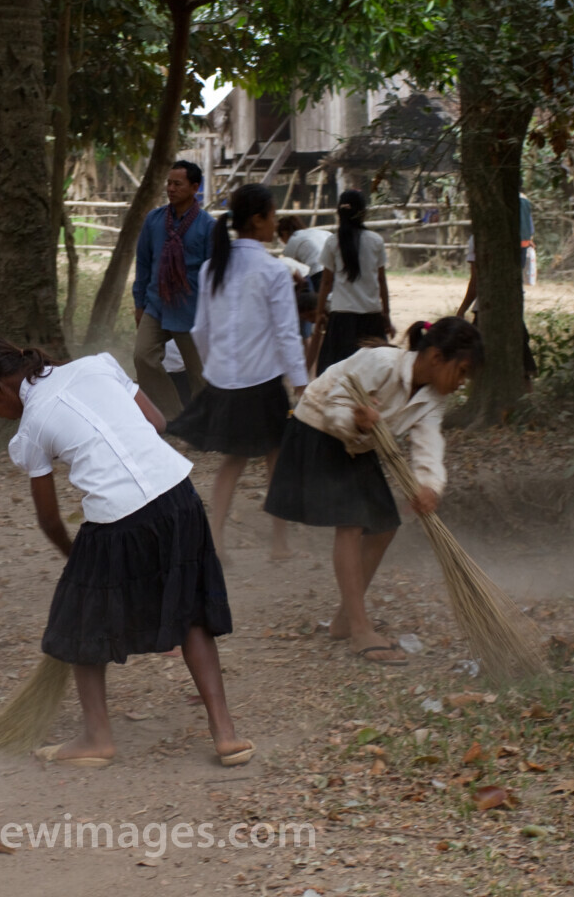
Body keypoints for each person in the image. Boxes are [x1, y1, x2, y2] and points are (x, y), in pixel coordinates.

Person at [0, 336, 252, 768]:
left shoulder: (32, 426)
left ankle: (97, 738)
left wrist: (75, 559)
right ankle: (226, 735)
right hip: (179, 496)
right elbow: (157, 424)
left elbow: (50, 519)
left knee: (77, 622)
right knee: (192, 613)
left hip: (118, 518)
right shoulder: (97, 365)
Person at [266, 318, 483, 665]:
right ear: (437, 358)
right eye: (462, 371)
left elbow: (428, 441)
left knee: (384, 526)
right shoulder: (381, 362)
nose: (461, 384)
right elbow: (336, 406)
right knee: (351, 525)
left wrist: (430, 485)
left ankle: (343, 620)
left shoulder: (433, 397)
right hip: (318, 431)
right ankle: (359, 629)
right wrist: (355, 419)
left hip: (360, 445)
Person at [170, 184, 308, 560]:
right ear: (258, 219)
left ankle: (216, 539)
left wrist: (216, 367)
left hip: (224, 381)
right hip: (262, 383)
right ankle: (279, 543)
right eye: (273, 215)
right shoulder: (273, 271)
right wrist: (301, 383)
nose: (276, 222)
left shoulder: (214, 266)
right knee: (275, 460)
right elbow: (286, 333)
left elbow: (200, 329)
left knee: (234, 460)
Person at [133, 160, 214, 420]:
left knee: (199, 372)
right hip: (156, 305)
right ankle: (173, 417)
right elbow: (144, 263)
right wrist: (139, 303)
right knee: (143, 357)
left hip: (190, 310)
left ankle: (204, 424)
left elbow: (213, 274)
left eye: (177, 184)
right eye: (169, 183)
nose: (170, 188)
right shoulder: (154, 220)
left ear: (194, 187)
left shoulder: (207, 226)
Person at [305, 189, 392, 374]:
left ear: (339, 212)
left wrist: (320, 313)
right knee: (373, 373)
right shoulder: (376, 241)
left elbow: (326, 283)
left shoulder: (332, 242)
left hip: (342, 319)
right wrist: (386, 313)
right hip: (371, 317)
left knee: (338, 374)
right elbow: (382, 281)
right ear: (363, 212)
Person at [455, 234, 538, 383]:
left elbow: (476, 282)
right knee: (521, 366)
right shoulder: (513, 232)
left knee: (471, 359)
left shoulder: (478, 238)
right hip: (511, 307)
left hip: (487, 308)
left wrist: (461, 311)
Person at [278, 215, 331, 293]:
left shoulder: (292, 242)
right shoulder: (317, 232)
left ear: (284, 233)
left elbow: (293, 267)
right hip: (335, 268)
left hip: (318, 272)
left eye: (280, 237)